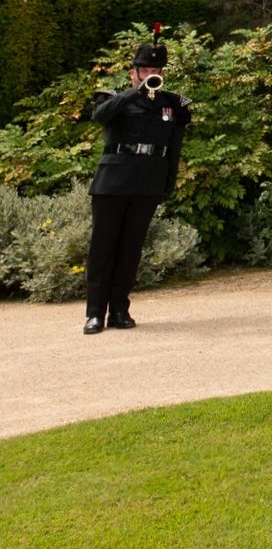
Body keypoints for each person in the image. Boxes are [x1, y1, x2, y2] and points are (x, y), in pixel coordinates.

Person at [84, 26, 192, 335]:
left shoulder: (174, 104)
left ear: (162, 72)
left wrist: (167, 184)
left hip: (147, 183)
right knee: (102, 248)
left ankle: (120, 309)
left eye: (155, 70)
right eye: (144, 69)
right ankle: (95, 313)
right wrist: (135, 91)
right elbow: (100, 117)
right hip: (112, 182)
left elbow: (174, 146)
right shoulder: (115, 98)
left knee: (131, 249)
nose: (150, 74)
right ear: (134, 72)